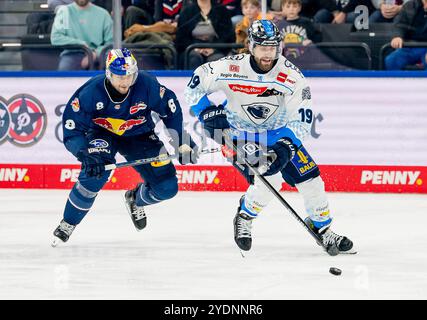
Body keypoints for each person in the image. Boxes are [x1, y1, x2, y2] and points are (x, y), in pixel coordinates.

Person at [184, 20, 354, 254]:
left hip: (278, 134)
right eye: (263, 47)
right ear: (251, 47)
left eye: (273, 47)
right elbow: (193, 86)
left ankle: (322, 228)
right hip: (237, 134)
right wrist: (206, 111)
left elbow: (303, 117)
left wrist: (287, 145)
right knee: (270, 180)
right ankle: (245, 215)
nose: (268, 53)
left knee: (311, 180)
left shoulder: (292, 76)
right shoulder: (229, 67)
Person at [52, 48, 198, 246]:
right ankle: (68, 222)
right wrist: (84, 153)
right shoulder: (90, 92)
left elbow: (170, 110)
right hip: (102, 134)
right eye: (119, 76)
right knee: (95, 174)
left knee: (167, 188)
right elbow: (71, 129)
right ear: (108, 74)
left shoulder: (147, 85)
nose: (125, 81)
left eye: (129, 75)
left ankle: (135, 198)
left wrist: (181, 140)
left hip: (139, 134)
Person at [50, 0, 113, 70]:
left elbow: (111, 42)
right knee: (65, 70)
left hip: (100, 54)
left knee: (114, 68)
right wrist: (81, 44)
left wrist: (94, 54)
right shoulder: (65, 12)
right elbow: (56, 38)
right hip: (73, 53)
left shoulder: (103, 14)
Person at [385, 0, 427, 70]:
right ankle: (395, 81)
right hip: (410, 45)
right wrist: (397, 36)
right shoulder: (410, 5)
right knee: (391, 60)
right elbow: (399, 24)